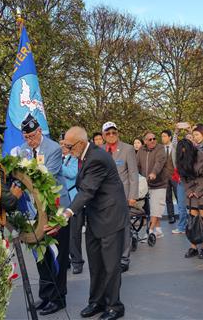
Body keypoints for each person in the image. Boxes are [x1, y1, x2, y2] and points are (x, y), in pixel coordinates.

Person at [55, 126, 128, 320]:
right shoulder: (84, 156)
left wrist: (68, 212)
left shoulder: (97, 158)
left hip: (110, 217)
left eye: (69, 146)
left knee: (111, 266)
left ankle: (114, 306)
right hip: (96, 216)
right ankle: (96, 302)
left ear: (79, 144)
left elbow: (87, 190)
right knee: (96, 264)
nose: (67, 150)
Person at [17, 114, 70, 316]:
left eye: (31, 136)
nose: (28, 141)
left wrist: (24, 174)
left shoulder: (54, 148)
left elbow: (46, 175)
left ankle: (59, 297)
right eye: (25, 137)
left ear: (39, 132)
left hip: (56, 208)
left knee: (58, 254)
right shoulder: (23, 150)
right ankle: (46, 294)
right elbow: (21, 177)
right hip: (35, 209)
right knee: (41, 254)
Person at [102, 121, 139, 273]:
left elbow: (133, 174)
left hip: (123, 195)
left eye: (114, 132)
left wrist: (133, 196)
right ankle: (111, 257)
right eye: (108, 133)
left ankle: (124, 258)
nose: (111, 135)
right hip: (105, 197)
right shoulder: (99, 150)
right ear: (103, 135)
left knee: (124, 228)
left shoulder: (128, 149)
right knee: (108, 228)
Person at [176, 138, 203, 259]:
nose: (183, 154)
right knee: (192, 220)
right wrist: (189, 191)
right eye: (181, 152)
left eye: (185, 152)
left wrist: (197, 191)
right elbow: (183, 177)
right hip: (191, 193)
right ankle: (193, 247)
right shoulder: (181, 159)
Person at [136, 131, 169, 238]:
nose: (153, 141)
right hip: (146, 184)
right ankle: (158, 230)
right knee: (153, 209)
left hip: (159, 183)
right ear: (145, 141)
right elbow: (136, 165)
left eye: (154, 138)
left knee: (156, 208)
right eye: (150, 139)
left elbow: (159, 163)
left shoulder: (160, 149)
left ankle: (149, 231)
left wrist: (154, 173)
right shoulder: (141, 150)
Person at [61, 139, 82, 274]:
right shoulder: (60, 159)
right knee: (62, 233)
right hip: (62, 201)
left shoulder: (74, 159)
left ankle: (77, 262)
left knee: (74, 234)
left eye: (64, 145)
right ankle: (65, 260)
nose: (61, 147)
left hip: (74, 200)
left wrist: (58, 165)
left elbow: (72, 173)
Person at [161, 129, 177, 224]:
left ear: (169, 137)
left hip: (174, 175)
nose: (163, 138)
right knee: (168, 197)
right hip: (164, 176)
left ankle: (184, 216)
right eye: (162, 136)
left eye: (164, 136)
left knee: (178, 196)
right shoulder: (160, 149)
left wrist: (177, 131)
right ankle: (171, 216)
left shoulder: (175, 147)